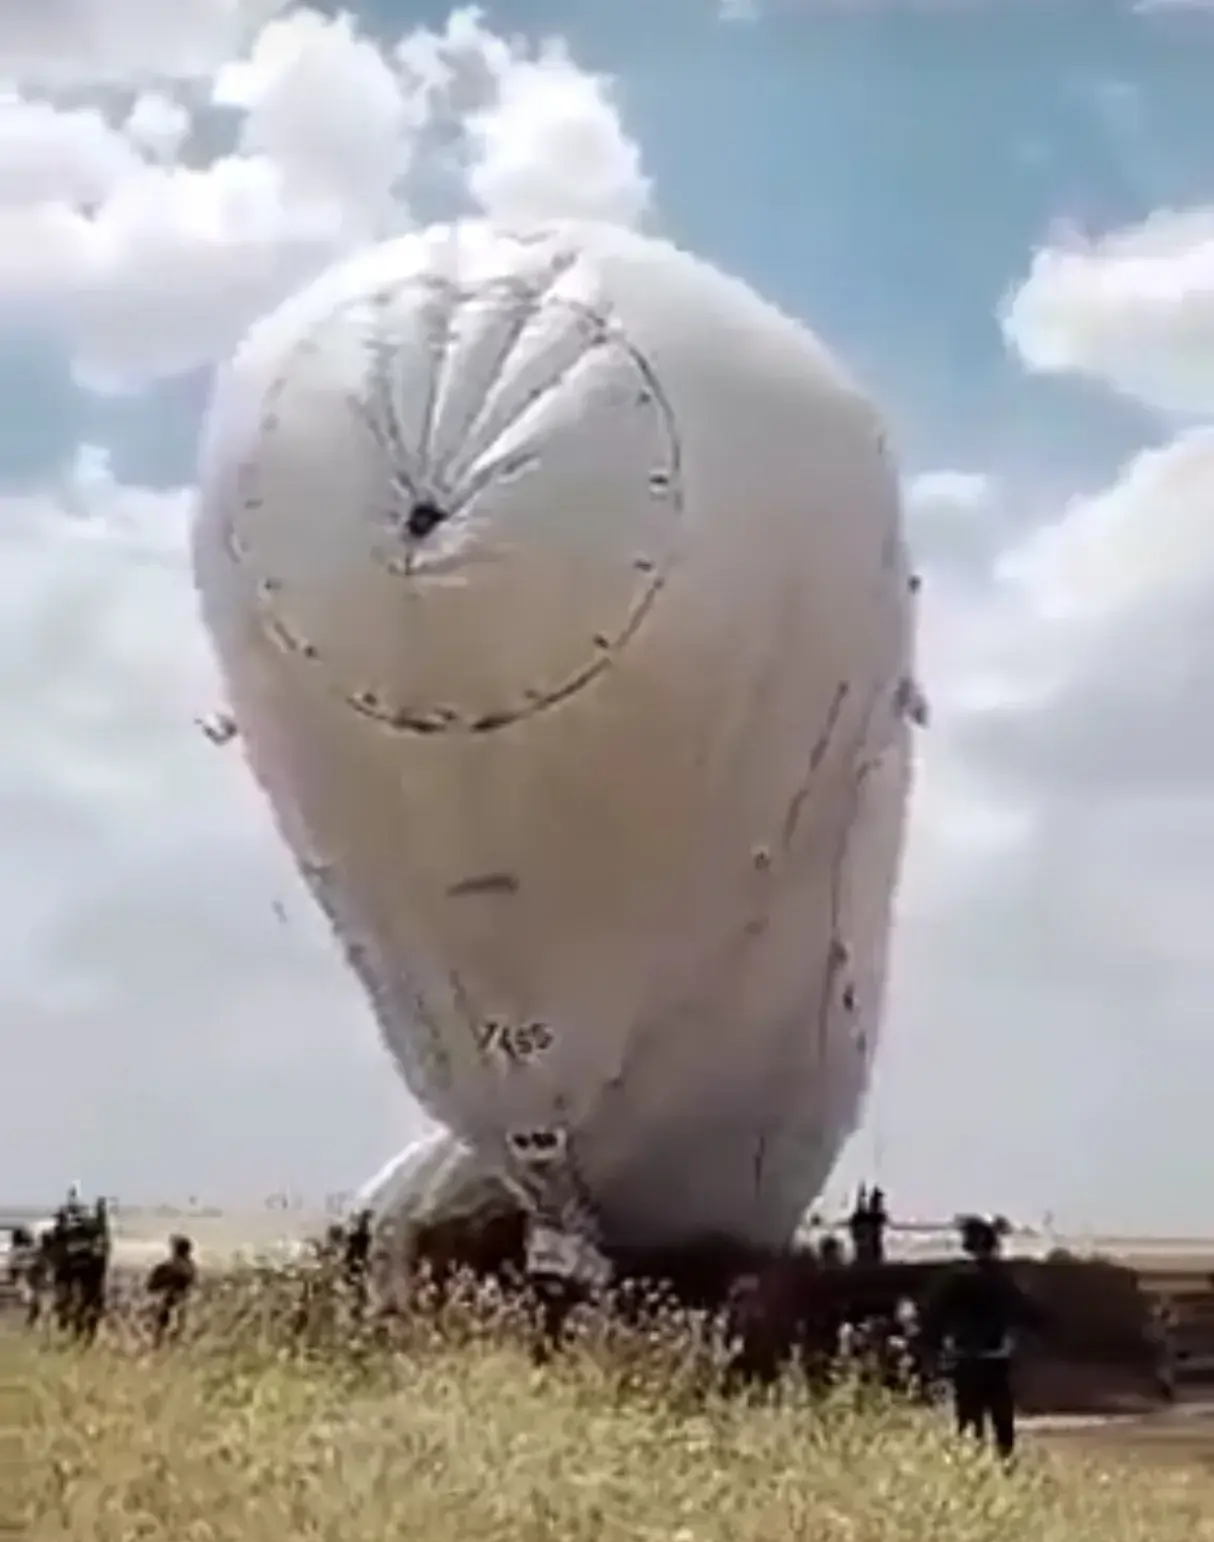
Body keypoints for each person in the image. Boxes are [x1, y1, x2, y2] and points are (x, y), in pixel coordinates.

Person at [919, 1216, 1046, 1461]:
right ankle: (1005, 1467)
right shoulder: (1001, 1279)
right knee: (1002, 1423)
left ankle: (971, 1468)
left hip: (964, 1356)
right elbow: (1026, 1312)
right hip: (995, 1357)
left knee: (968, 1421)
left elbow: (932, 1315)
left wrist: (930, 1348)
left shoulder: (955, 1278)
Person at [146, 1234, 197, 1347]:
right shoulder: (191, 1267)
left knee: (160, 1332)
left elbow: (151, 1286)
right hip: (182, 1303)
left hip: (168, 1301)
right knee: (176, 1332)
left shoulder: (168, 1267)